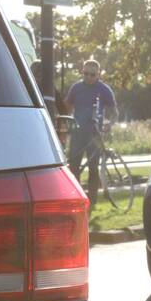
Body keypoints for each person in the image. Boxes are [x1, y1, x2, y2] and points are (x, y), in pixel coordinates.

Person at [65, 59, 117, 204]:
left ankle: (92, 201)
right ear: (82, 72)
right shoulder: (76, 88)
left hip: (95, 135)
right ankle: (75, 199)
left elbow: (114, 112)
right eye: (85, 73)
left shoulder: (104, 90)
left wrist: (110, 124)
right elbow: (67, 106)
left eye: (92, 75)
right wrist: (66, 124)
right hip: (77, 134)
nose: (88, 77)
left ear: (98, 74)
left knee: (93, 168)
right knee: (73, 167)